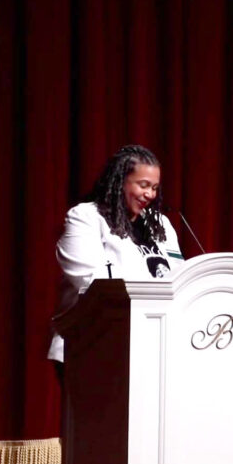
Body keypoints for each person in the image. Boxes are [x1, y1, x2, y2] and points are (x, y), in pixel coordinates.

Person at [48, 145, 184, 363]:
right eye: (143, 185)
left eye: (155, 187)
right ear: (120, 181)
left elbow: (178, 277)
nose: (150, 194)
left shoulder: (161, 225)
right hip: (91, 345)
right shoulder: (86, 217)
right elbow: (90, 282)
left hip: (151, 345)